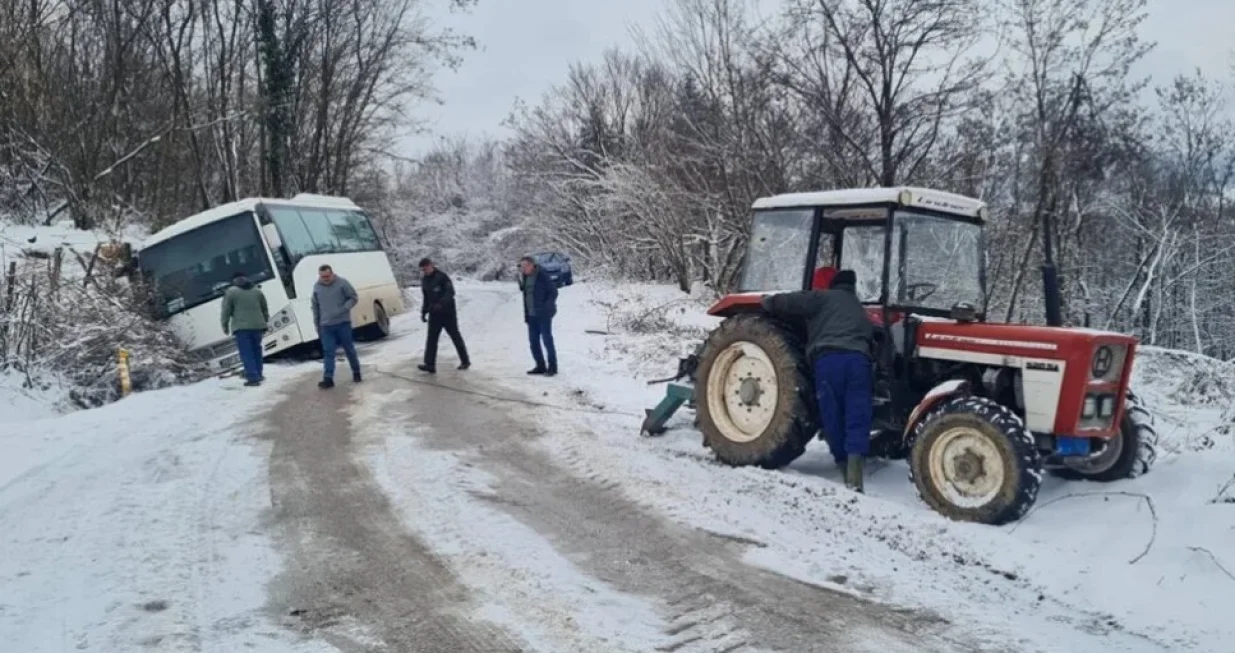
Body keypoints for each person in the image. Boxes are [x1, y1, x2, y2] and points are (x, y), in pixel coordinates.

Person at [762, 269, 873, 492]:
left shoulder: (824, 297)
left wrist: (769, 302)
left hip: (830, 360)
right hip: (859, 362)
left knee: (831, 414)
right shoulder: (859, 308)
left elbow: (793, 302)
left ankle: (843, 465)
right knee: (857, 414)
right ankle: (855, 475)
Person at [417, 258, 471, 373]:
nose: (424, 271)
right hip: (434, 314)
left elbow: (450, 292)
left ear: (431, 265)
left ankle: (465, 361)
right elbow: (426, 297)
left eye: (425, 268)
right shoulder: (425, 280)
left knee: (455, 336)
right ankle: (429, 364)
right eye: (422, 269)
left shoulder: (442, 277)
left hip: (448, 313)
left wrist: (441, 304)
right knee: (431, 339)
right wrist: (424, 311)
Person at [311, 264, 361, 388]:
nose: (325, 279)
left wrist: (345, 308)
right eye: (323, 277)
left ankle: (356, 372)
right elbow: (315, 307)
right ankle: (328, 379)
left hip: (342, 323)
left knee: (349, 349)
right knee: (328, 352)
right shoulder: (317, 288)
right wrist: (317, 324)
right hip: (326, 326)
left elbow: (353, 298)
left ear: (332, 274)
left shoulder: (342, 283)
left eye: (327, 276)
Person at [220, 271, 269, 387]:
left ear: (233, 281)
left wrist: (225, 325)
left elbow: (226, 311)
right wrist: (264, 321)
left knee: (246, 352)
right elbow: (264, 309)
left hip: (242, 327)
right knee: (257, 350)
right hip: (258, 326)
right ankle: (259, 373)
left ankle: (253, 377)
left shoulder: (231, 292)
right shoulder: (257, 291)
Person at [518, 255, 559, 376]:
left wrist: (547, 307)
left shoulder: (542, 275)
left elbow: (553, 291)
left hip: (543, 315)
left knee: (547, 340)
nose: (523, 268)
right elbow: (526, 293)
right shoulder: (525, 277)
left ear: (532, 265)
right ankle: (540, 365)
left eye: (525, 266)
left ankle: (552, 367)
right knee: (533, 341)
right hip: (531, 315)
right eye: (521, 266)